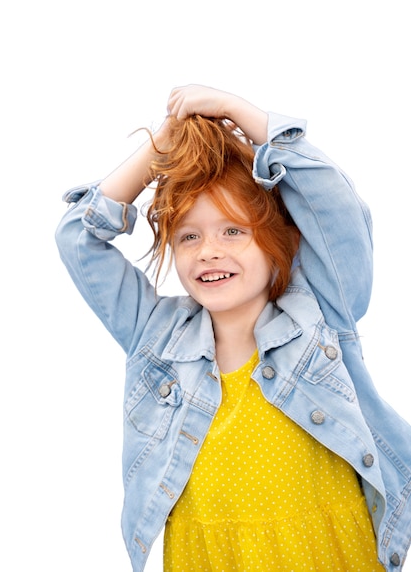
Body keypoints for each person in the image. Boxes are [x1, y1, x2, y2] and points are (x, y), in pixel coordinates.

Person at [56, 85, 411, 571]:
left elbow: (336, 207)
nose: (208, 251)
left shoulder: (319, 315)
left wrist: (240, 112)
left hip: (328, 554)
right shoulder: (156, 337)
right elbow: (78, 237)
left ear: (277, 241)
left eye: (233, 231)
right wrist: (168, 145)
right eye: (189, 236)